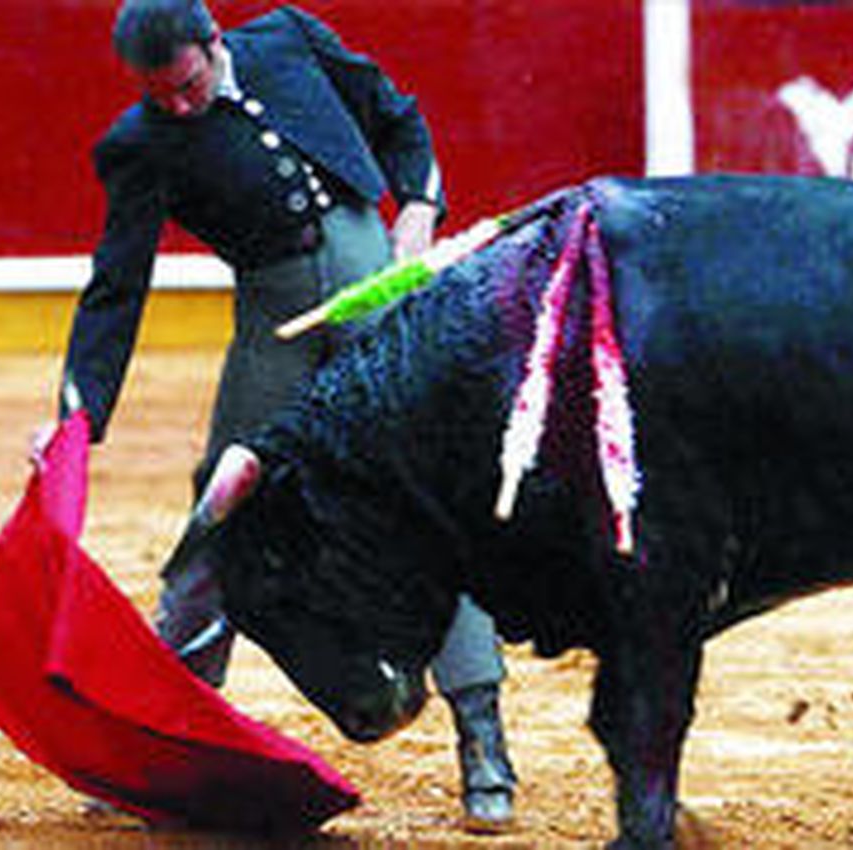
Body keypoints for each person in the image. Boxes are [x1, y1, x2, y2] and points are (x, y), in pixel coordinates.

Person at [41, 0, 515, 831]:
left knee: (434, 506)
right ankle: (161, 739)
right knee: (222, 516)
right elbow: (117, 286)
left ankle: (485, 746)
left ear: (214, 44)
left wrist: (417, 206)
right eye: (162, 97)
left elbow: (397, 118)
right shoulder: (139, 144)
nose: (179, 107)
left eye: (187, 85)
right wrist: (78, 415)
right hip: (277, 336)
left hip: (386, 310)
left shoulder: (290, 39)